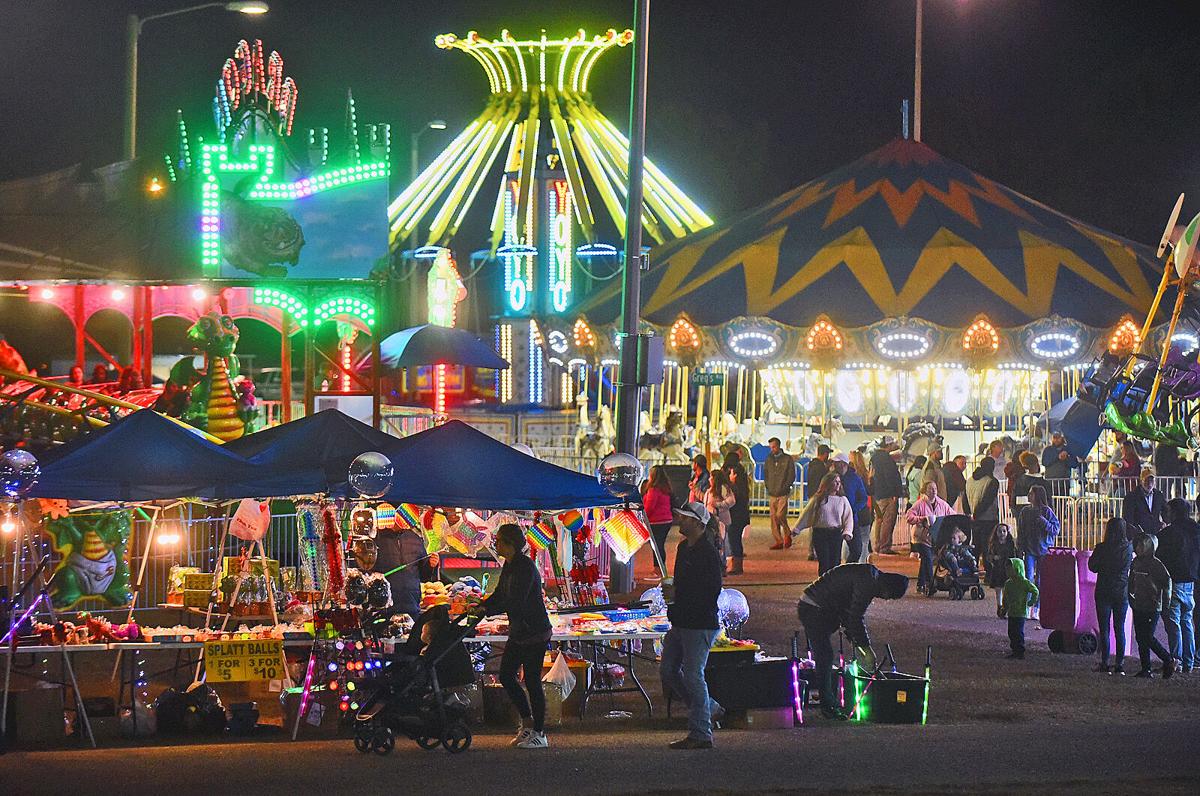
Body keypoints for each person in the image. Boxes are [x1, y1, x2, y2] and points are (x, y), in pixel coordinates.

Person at [796, 563, 910, 719]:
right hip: (813, 607)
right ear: (887, 587)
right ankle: (827, 704)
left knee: (825, 655)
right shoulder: (868, 583)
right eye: (889, 596)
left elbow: (848, 612)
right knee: (825, 655)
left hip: (819, 606)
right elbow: (855, 616)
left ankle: (829, 698)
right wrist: (866, 648)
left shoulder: (870, 577)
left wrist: (857, 641)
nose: (886, 599)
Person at [478, 523, 553, 748]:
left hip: (534, 631)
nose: (496, 544)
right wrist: (481, 606)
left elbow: (515, 601)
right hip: (519, 631)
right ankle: (527, 722)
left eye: (500, 540)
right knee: (507, 676)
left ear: (510, 544)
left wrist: (488, 610)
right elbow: (500, 593)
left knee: (531, 680)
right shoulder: (509, 565)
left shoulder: (525, 567)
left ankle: (540, 732)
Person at [660, 502, 724, 749]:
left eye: (686, 518)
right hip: (682, 619)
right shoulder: (684, 548)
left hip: (699, 622)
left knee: (693, 675)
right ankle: (709, 708)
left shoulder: (708, 554)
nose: (680, 521)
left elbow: (710, 591)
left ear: (699, 524)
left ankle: (701, 732)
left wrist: (679, 593)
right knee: (669, 671)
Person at [1156, 498, 1199, 673]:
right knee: (1187, 621)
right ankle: (1189, 661)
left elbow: (1159, 553)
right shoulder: (1195, 529)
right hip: (1191, 581)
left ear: (1174, 512)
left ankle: (1176, 660)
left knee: (1174, 622)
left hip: (1173, 581)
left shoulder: (1170, 533)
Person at [1089, 517, 1133, 675]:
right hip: (1121, 591)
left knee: (1104, 628)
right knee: (1119, 628)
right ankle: (1119, 663)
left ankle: (1105, 662)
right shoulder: (1128, 548)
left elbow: (1092, 567)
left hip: (1103, 590)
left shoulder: (1102, 548)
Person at [1128, 532, 1174, 679]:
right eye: (1137, 545)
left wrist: (1165, 603)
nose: (1138, 548)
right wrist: (1130, 595)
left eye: (1142, 545)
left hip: (1153, 606)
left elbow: (1167, 583)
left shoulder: (1156, 565)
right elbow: (1131, 580)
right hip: (1139, 604)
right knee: (1140, 638)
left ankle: (1168, 660)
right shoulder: (1136, 563)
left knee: (1147, 636)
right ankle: (1145, 668)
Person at [792, 472, 854, 575]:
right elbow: (807, 514)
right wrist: (797, 528)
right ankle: (823, 585)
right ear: (827, 483)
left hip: (835, 533)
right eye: (835, 482)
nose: (838, 484)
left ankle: (834, 585)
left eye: (839, 482)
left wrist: (848, 531)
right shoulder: (817, 499)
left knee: (835, 562)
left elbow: (848, 517)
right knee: (824, 561)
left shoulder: (843, 500)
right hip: (820, 533)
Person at [905, 480, 954, 594]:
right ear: (925, 490)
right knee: (927, 558)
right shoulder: (919, 504)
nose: (934, 491)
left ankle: (920, 584)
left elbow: (952, 514)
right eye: (931, 489)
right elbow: (909, 516)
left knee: (927, 559)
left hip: (934, 537)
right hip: (920, 537)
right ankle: (930, 583)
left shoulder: (942, 504)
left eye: (935, 489)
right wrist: (921, 519)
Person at [1016, 485, 1059, 613]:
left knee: (1040, 579)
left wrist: (1044, 522)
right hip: (1029, 549)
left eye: (1031, 493)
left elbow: (1055, 529)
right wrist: (1020, 546)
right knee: (1028, 577)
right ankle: (1028, 605)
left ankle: (1037, 607)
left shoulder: (1047, 511)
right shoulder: (1025, 511)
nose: (1029, 495)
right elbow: (1021, 530)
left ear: (1038, 496)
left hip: (1044, 549)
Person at [869, 436, 904, 555]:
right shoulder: (886, 459)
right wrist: (894, 493)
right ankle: (884, 546)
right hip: (888, 495)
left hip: (877, 494)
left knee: (878, 520)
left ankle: (877, 545)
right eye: (893, 443)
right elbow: (890, 476)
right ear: (888, 445)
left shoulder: (874, 458)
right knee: (888, 521)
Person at [965, 456, 1001, 566]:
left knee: (976, 545)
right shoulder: (992, 481)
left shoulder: (969, 480)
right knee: (988, 546)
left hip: (974, 519)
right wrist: (976, 514)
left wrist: (970, 514)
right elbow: (987, 501)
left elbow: (965, 498)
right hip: (989, 519)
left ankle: (973, 571)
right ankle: (989, 573)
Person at [1000, 557, 1039, 659]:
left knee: (1017, 632)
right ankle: (1015, 650)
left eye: (1010, 569)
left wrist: (1031, 602)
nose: (1008, 571)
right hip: (1013, 612)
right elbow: (1006, 597)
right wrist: (1004, 608)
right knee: (1012, 632)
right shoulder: (1009, 583)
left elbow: (1035, 591)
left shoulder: (1023, 583)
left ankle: (1019, 651)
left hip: (1020, 612)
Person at [835, 452, 870, 564]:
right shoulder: (831, 477)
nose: (835, 465)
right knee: (835, 552)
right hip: (835, 520)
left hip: (851, 519)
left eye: (837, 463)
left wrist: (853, 509)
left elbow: (863, 498)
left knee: (856, 549)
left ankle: (848, 570)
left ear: (843, 464)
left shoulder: (855, 478)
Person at [641, 465, 675, 578]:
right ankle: (660, 568)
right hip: (666, 520)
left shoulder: (653, 490)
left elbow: (649, 507)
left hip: (656, 521)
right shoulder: (665, 488)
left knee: (656, 545)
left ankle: (658, 569)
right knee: (660, 545)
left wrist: (644, 517)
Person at [763, 437, 796, 551]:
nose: (772, 449)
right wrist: (768, 485)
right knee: (773, 518)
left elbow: (791, 474)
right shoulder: (769, 459)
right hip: (772, 492)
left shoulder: (787, 459)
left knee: (780, 515)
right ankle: (779, 540)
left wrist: (786, 486)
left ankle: (787, 533)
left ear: (778, 446)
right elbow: (766, 474)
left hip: (783, 492)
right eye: (770, 447)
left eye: (774, 447)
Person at [723, 452, 752, 575]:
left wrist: (731, 482)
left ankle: (737, 566)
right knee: (733, 538)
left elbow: (737, 495)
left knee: (734, 539)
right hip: (740, 513)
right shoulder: (741, 473)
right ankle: (735, 564)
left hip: (736, 514)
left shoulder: (737, 477)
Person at [1122, 468, 1165, 535]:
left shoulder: (1159, 495)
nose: (1149, 484)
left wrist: (1164, 524)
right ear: (1141, 481)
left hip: (1155, 533)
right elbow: (1128, 519)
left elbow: (1165, 511)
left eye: (1152, 481)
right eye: (1146, 480)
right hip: (1138, 535)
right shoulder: (1131, 497)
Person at [985, 523, 1017, 612]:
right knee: (998, 588)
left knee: (1006, 588)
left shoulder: (1010, 543)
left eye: (1004, 531)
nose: (1002, 533)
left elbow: (1014, 556)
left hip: (1007, 568)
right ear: (996, 533)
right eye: (1000, 531)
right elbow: (988, 556)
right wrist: (993, 558)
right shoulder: (993, 544)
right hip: (997, 568)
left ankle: (1006, 606)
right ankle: (999, 605)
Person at [705, 468, 735, 560]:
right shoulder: (710, 490)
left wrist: (718, 505)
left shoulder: (722, 488)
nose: (709, 479)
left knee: (722, 542)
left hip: (721, 520)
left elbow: (731, 500)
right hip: (711, 519)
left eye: (711, 477)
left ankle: (723, 562)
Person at [1042, 431, 1080, 496]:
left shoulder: (1068, 449)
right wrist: (1057, 457)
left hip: (1064, 483)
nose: (1056, 440)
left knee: (1063, 504)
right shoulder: (1047, 450)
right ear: (1052, 438)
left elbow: (1074, 464)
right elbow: (1045, 462)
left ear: (1062, 438)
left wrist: (1067, 458)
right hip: (1050, 483)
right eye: (1054, 437)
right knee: (1051, 503)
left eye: (1058, 437)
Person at [1011, 451, 1048, 517]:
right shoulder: (1044, 483)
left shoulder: (1019, 481)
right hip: (1039, 517)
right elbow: (1048, 502)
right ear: (1037, 464)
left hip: (1022, 515)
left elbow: (1014, 501)